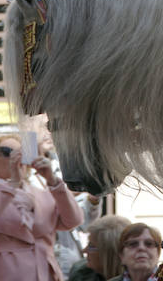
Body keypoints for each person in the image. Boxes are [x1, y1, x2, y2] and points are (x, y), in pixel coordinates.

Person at [0, 133, 83, 281]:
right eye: (7, 152)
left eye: (22, 153)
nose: (16, 157)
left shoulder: (41, 194)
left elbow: (73, 220)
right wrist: (11, 185)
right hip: (3, 273)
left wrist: (53, 181)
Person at [27, 115, 102, 277]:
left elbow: (84, 222)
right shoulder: (23, 169)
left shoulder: (66, 166)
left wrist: (93, 199)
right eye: (45, 127)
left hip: (69, 256)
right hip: (34, 257)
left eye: (53, 127)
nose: (50, 133)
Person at [68, 215, 130, 281]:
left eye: (91, 246)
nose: (84, 250)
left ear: (109, 253)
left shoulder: (136, 276)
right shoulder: (80, 273)